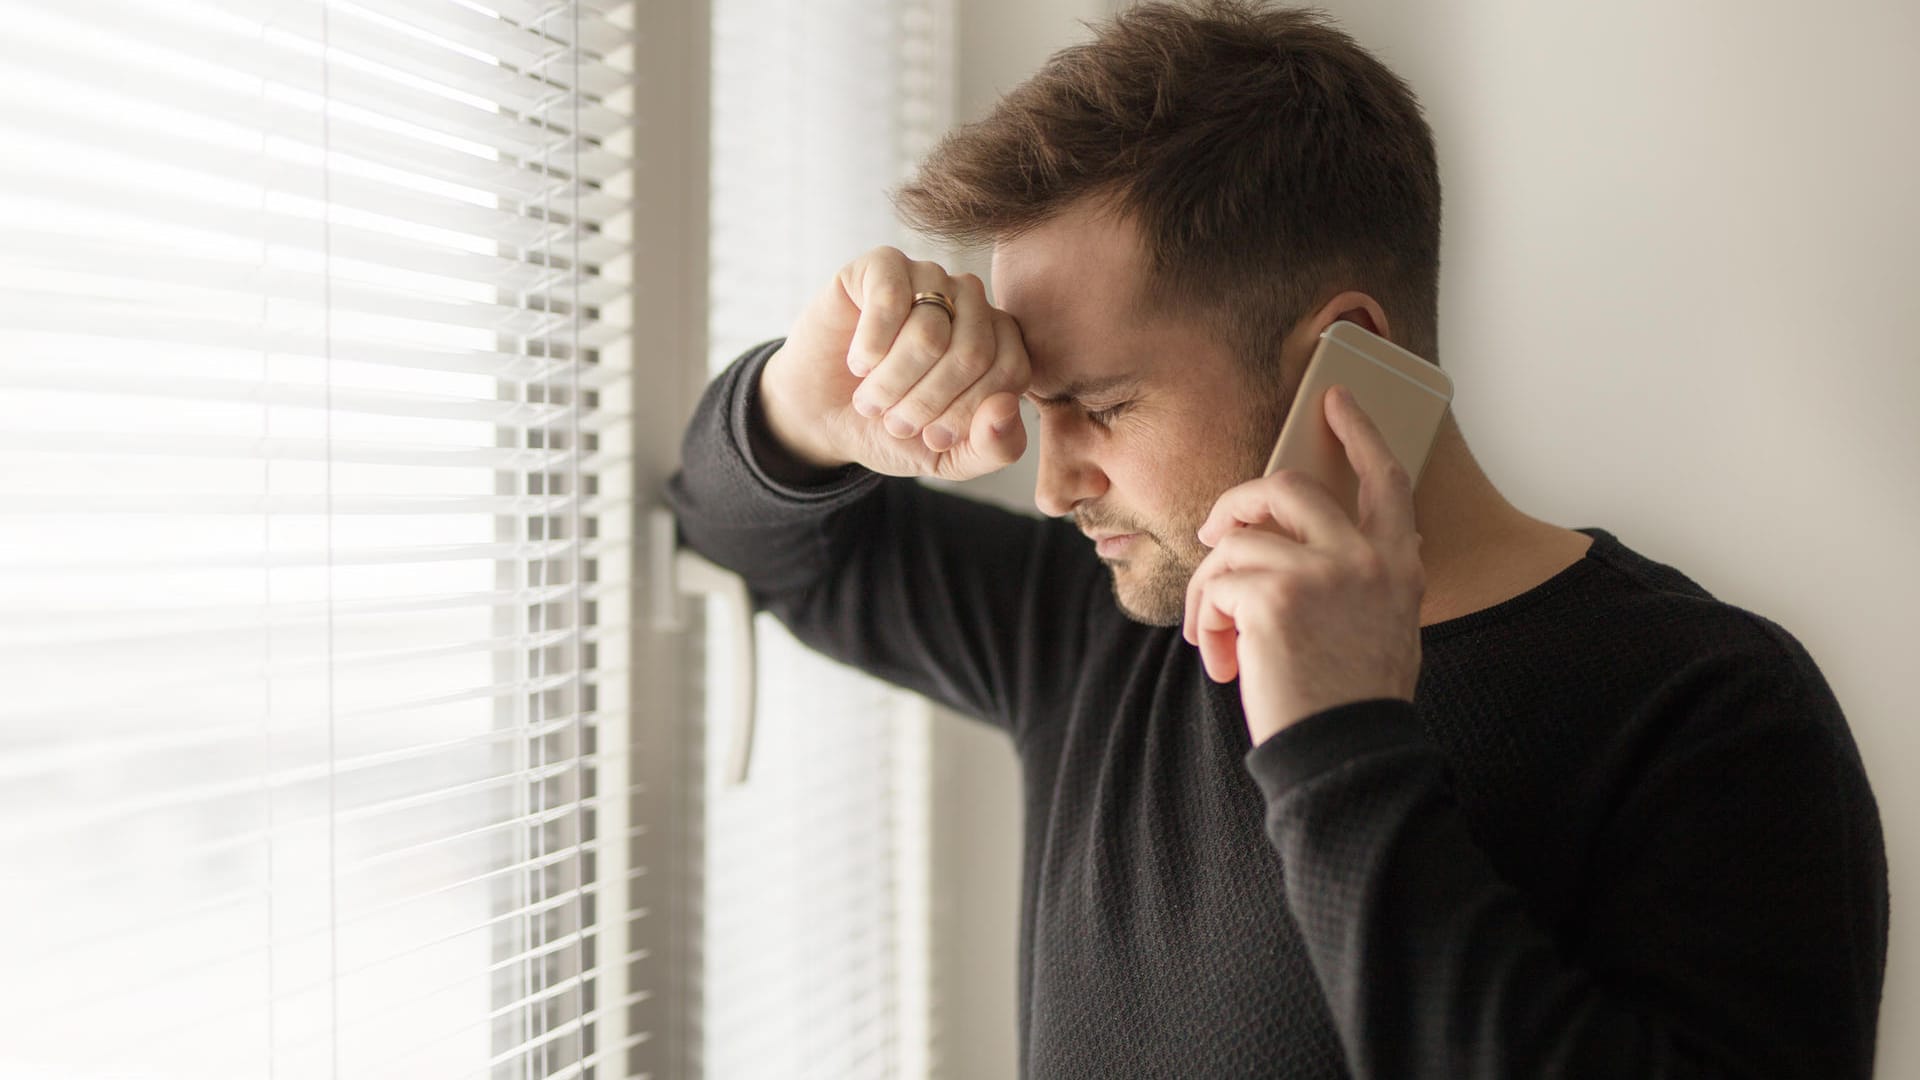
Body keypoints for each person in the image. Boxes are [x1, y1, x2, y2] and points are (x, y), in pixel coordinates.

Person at [667, 2, 1889, 1076]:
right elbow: (758, 541)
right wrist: (804, 402)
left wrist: (1341, 748)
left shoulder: (1712, 712)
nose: (1052, 486)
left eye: (1097, 408)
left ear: (1339, 364)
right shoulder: (1111, 622)